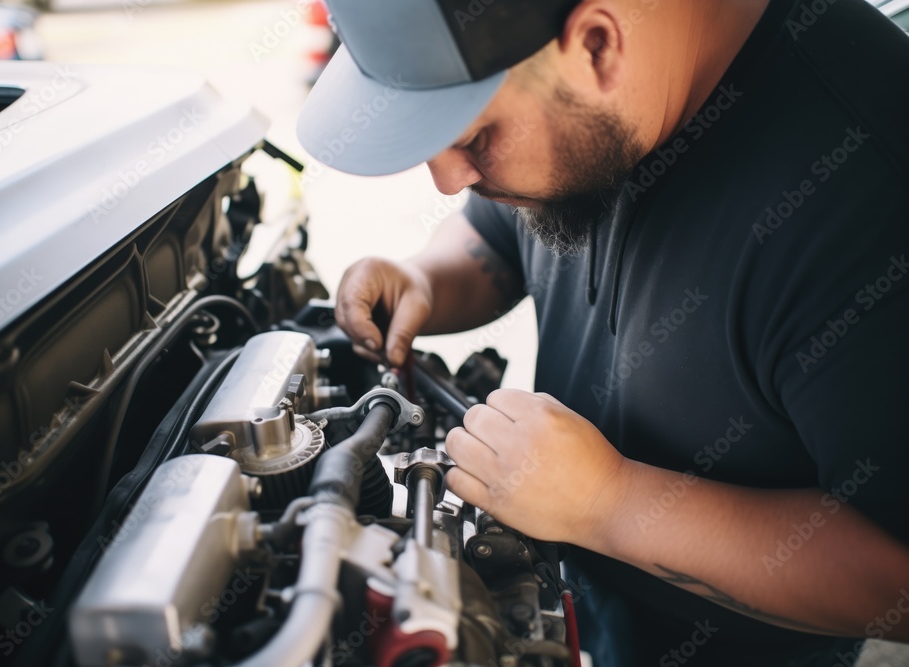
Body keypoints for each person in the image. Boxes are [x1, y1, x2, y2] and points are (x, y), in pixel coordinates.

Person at [296, 1, 909, 665]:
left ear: (597, 45)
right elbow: (493, 240)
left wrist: (609, 503)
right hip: (569, 600)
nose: (448, 180)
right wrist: (425, 279)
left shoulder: (868, 189)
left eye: (474, 140)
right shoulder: (569, 101)